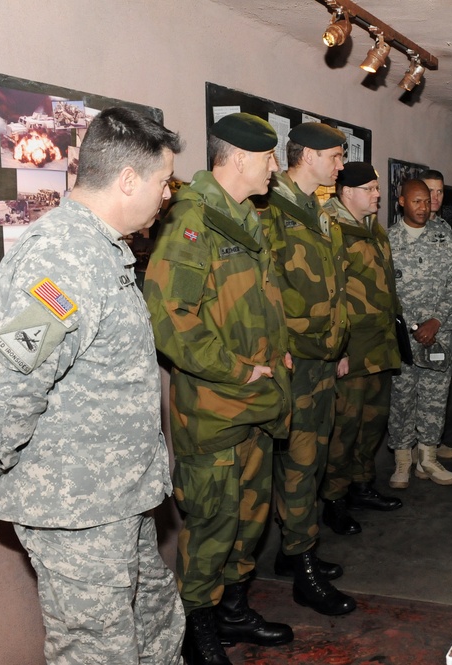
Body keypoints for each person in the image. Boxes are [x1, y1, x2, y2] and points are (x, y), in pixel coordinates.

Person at [0, 107, 185, 664]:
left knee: (155, 619)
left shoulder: (101, 249)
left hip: (118, 496)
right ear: (129, 179)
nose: (166, 196)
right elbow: (13, 375)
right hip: (78, 507)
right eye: (164, 182)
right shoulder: (64, 257)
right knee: (97, 650)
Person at [144, 112, 294, 665]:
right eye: (268, 157)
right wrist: (237, 369)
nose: (275, 167)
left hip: (255, 403)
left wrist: (273, 355)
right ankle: (196, 629)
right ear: (236, 159)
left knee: (249, 518)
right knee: (212, 524)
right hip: (214, 409)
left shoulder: (243, 217)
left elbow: (252, 301)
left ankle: (233, 609)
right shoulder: (192, 221)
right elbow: (170, 319)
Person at [260, 122, 357, 617]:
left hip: (320, 358)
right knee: (299, 464)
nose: (340, 166)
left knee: (312, 460)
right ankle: (302, 568)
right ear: (311, 156)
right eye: (336, 157)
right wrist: (282, 350)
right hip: (295, 361)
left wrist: (338, 345)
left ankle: (293, 551)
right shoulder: (271, 211)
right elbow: (266, 290)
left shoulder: (316, 211)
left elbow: (332, 286)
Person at [319, 162, 404, 527]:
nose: (377, 195)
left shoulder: (374, 230)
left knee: (373, 421)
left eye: (377, 188)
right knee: (344, 427)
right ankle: (334, 497)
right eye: (370, 189)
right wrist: (336, 348)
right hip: (350, 349)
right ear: (347, 192)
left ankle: (361, 484)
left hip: (379, 345)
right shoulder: (329, 228)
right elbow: (326, 293)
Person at [387, 180, 452, 488]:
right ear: (402, 201)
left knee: (434, 397)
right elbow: (383, 289)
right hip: (402, 337)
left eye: (427, 202)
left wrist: (436, 319)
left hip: (440, 333)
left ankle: (429, 459)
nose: (423, 207)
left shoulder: (443, 237)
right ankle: (403, 462)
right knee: (402, 398)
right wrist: (410, 326)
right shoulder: (388, 240)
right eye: (417, 201)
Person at [418, 168, 452, 460]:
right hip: (412, 327)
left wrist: (439, 318)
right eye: (429, 191)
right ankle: (412, 451)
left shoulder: (445, 229)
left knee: (437, 391)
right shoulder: (402, 230)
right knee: (408, 393)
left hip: (441, 325)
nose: (434, 198)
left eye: (440, 191)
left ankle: (431, 442)